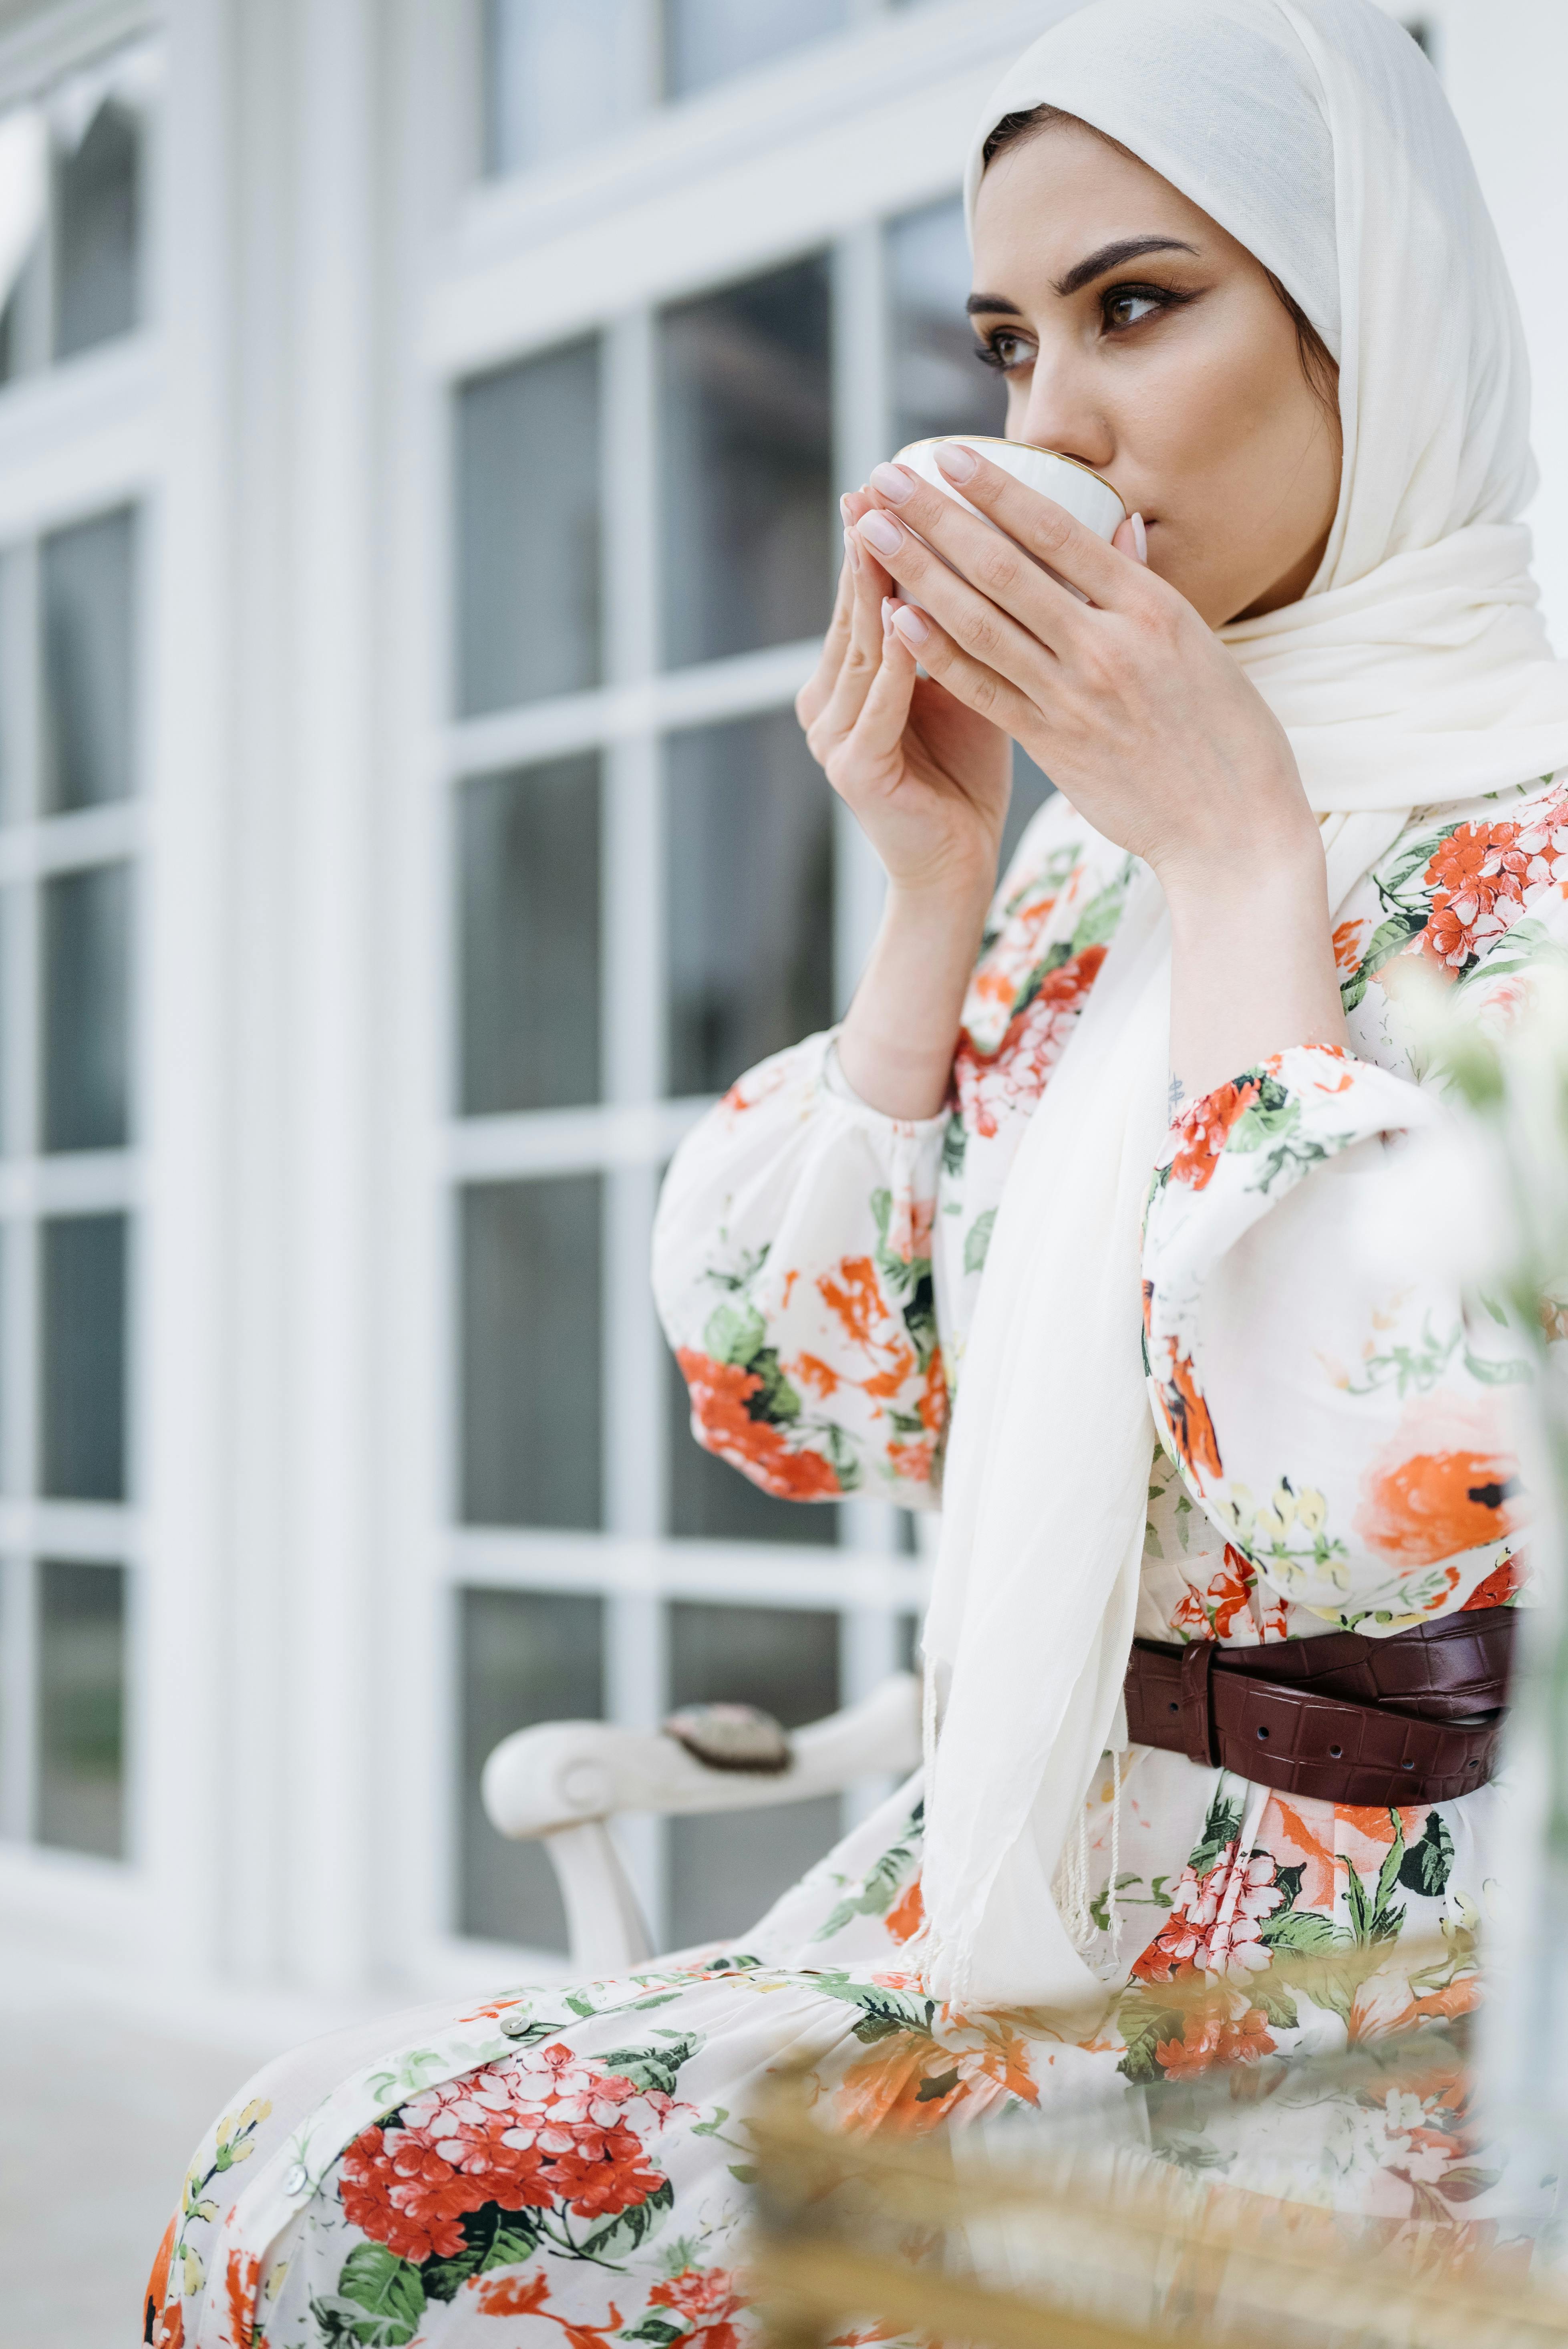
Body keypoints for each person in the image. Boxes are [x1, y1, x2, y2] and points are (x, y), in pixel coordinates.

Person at [146, 2, 1568, 2341]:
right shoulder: (1086, 877)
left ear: (1375, 321)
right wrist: (930, 891)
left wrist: (1243, 865)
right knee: (297, 2186)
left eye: (1138, 305)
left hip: (1404, 1987)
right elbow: (806, 1400)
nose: (1054, 426)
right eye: (1008, 342)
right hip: (992, 1895)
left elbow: (1361, 1507)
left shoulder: (1515, 850)